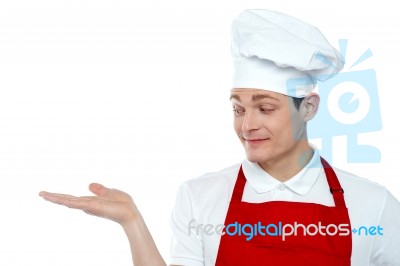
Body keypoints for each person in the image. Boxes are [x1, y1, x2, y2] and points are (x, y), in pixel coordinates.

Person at [39, 9, 400, 266]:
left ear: (308, 108)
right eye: (238, 108)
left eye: (265, 107)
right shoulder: (200, 196)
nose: (247, 126)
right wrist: (132, 222)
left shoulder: (374, 204)